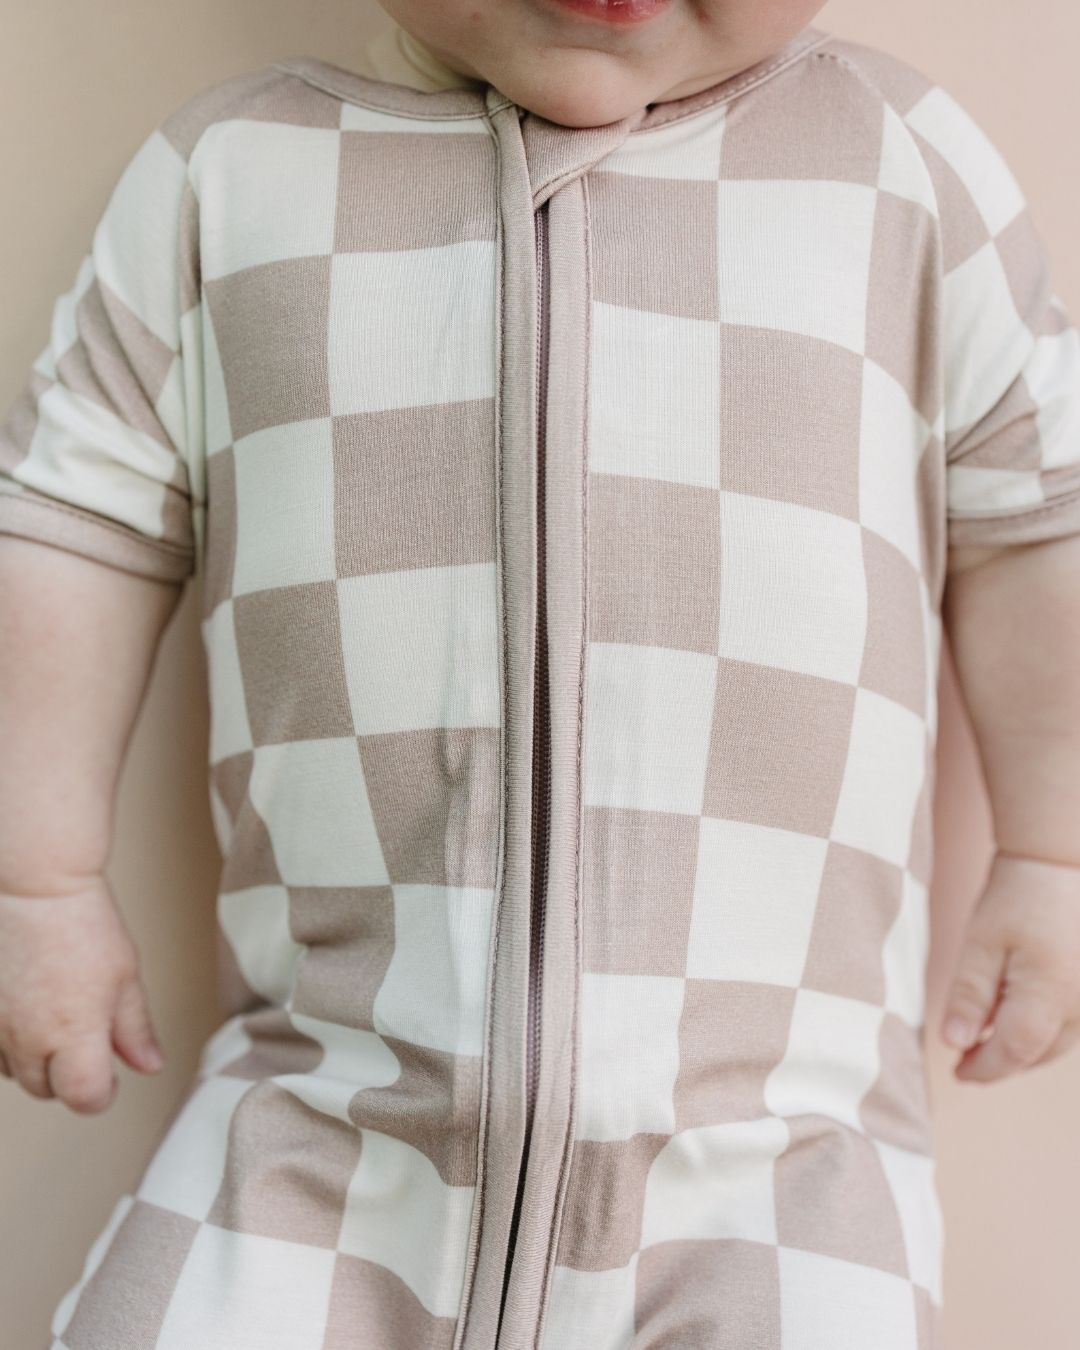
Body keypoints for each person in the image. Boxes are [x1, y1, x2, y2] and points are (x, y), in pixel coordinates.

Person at [2, 2, 1080, 1346]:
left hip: (781, 1163)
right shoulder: (231, 180)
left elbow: (1042, 521)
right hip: (322, 1120)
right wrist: (34, 872)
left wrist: (1054, 852)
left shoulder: (903, 171)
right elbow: (69, 522)